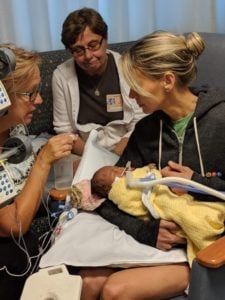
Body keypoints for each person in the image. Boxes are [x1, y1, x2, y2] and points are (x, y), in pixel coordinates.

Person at [73, 30, 225, 300]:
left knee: (113, 291)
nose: (130, 94)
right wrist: (146, 231)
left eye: (136, 85)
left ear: (167, 80)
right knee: (90, 281)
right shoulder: (146, 130)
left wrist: (196, 182)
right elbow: (106, 193)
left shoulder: (220, 120)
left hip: (206, 243)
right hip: (158, 238)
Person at [0, 44, 76, 299]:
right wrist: (44, 160)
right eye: (30, 94)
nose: (40, 101)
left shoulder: (15, 130)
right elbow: (14, 225)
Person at [71, 164, 225, 265]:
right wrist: (142, 230)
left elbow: (146, 174)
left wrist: (195, 181)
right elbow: (117, 202)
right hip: (160, 208)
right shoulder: (143, 132)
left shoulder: (217, 123)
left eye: (117, 168)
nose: (121, 171)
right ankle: (205, 231)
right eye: (115, 172)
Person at [52, 7, 146, 158]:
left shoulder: (126, 67)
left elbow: (140, 120)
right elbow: (65, 131)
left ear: (106, 39)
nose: (88, 55)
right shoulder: (61, 76)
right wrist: (96, 159)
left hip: (127, 147)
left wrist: (116, 156)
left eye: (93, 45)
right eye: (78, 50)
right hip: (84, 153)